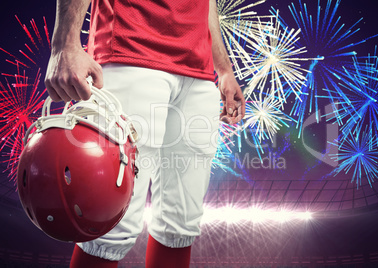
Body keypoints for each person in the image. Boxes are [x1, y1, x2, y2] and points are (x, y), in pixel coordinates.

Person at [44, 0, 245, 267]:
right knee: (105, 223)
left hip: (199, 72)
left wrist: (225, 70)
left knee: (181, 226)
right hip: (130, 48)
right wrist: (64, 43)